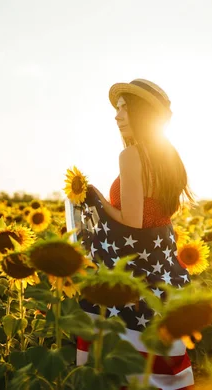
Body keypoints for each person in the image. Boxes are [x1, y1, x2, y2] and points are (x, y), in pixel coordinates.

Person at [75, 79, 196, 390]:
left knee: (112, 365)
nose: (117, 116)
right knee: (157, 369)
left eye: (125, 109)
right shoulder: (169, 159)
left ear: (142, 113)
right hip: (161, 274)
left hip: (130, 274)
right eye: (117, 109)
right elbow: (157, 218)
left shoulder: (131, 156)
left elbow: (133, 221)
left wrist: (96, 198)